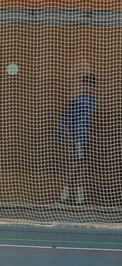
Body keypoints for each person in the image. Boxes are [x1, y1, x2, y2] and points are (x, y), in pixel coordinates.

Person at [56, 72, 96, 205]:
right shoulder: (77, 102)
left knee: (80, 167)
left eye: (90, 85)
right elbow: (67, 118)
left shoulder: (94, 102)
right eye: (85, 84)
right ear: (83, 86)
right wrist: (58, 134)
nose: (88, 87)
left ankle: (72, 196)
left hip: (86, 140)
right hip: (77, 139)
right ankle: (72, 196)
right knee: (78, 167)